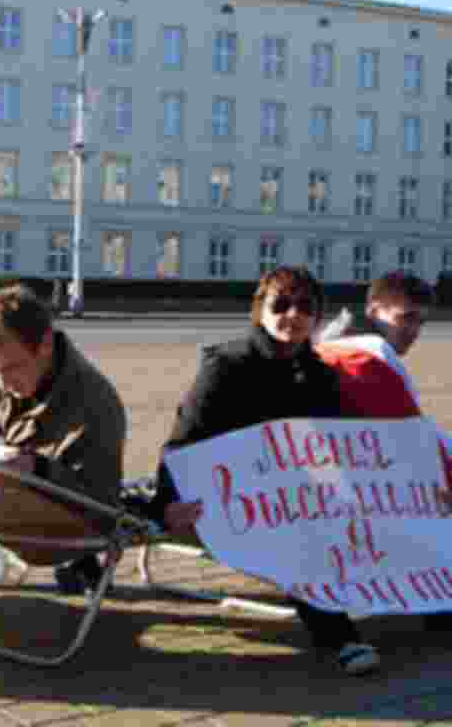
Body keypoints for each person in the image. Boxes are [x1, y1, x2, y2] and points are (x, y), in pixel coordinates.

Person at [146, 266, 381, 676]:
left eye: (305, 307)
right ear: (260, 310)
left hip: (295, 494)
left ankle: (450, 607)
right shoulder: (226, 366)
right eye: (281, 304)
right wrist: (168, 503)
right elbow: (183, 441)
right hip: (228, 496)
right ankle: (338, 634)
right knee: (301, 529)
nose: (292, 315)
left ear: (317, 316)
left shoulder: (321, 376)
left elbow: (343, 445)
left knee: (372, 515)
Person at [316, 270, 452, 639]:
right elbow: (413, 438)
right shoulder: (376, 358)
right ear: (374, 310)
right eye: (406, 318)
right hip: (372, 490)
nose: (415, 331)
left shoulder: (325, 344)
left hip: (329, 478)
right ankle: (449, 602)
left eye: (421, 321)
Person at [0, 284, 127, 609]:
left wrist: (37, 469)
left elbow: (98, 503)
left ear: (45, 345)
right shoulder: (12, 368)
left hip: (66, 523)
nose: (2, 383)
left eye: (9, 370)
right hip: (24, 494)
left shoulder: (95, 403)